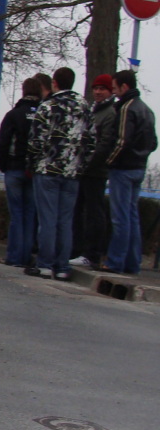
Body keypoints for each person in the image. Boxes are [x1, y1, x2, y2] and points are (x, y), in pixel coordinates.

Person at [25, 66, 95, 281]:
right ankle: (62, 266)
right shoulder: (85, 107)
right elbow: (91, 142)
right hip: (72, 172)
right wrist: (80, 166)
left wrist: (33, 162)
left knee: (48, 219)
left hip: (47, 169)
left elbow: (36, 139)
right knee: (65, 220)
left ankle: (45, 264)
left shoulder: (48, 106)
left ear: (55, 83)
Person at [94, 68, 157, 275]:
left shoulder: (126, 109)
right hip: (139, 168)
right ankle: (132, 261)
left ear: (124, 87)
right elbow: (153, 142)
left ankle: (115, 261)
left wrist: (110, 161)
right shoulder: (147, 110)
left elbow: (122, 141)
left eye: (114, 88)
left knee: (119, 217)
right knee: (131, 216)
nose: (114, 92)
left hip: (123, 168)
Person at [69, 74, 116, 268]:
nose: (97, 92)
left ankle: (92, 253)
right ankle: (78, 250)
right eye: (95, 88)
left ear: (110, 91)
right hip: (85, 170)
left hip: (95, 172)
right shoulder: (93, 110)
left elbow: (104, 144)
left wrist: (88, 162)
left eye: (102, 89)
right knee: (79, 211)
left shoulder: (110, 114)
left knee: (94, 212)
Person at [0, 77, 42, 267]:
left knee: (16, 214)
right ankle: (27, 256)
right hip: (35, 170)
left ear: (23, 91)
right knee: (30, 213)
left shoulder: (13, 115)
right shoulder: (43, 113)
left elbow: (3, 141)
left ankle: (14, 256)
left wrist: (4, 164)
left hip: (15, 168)